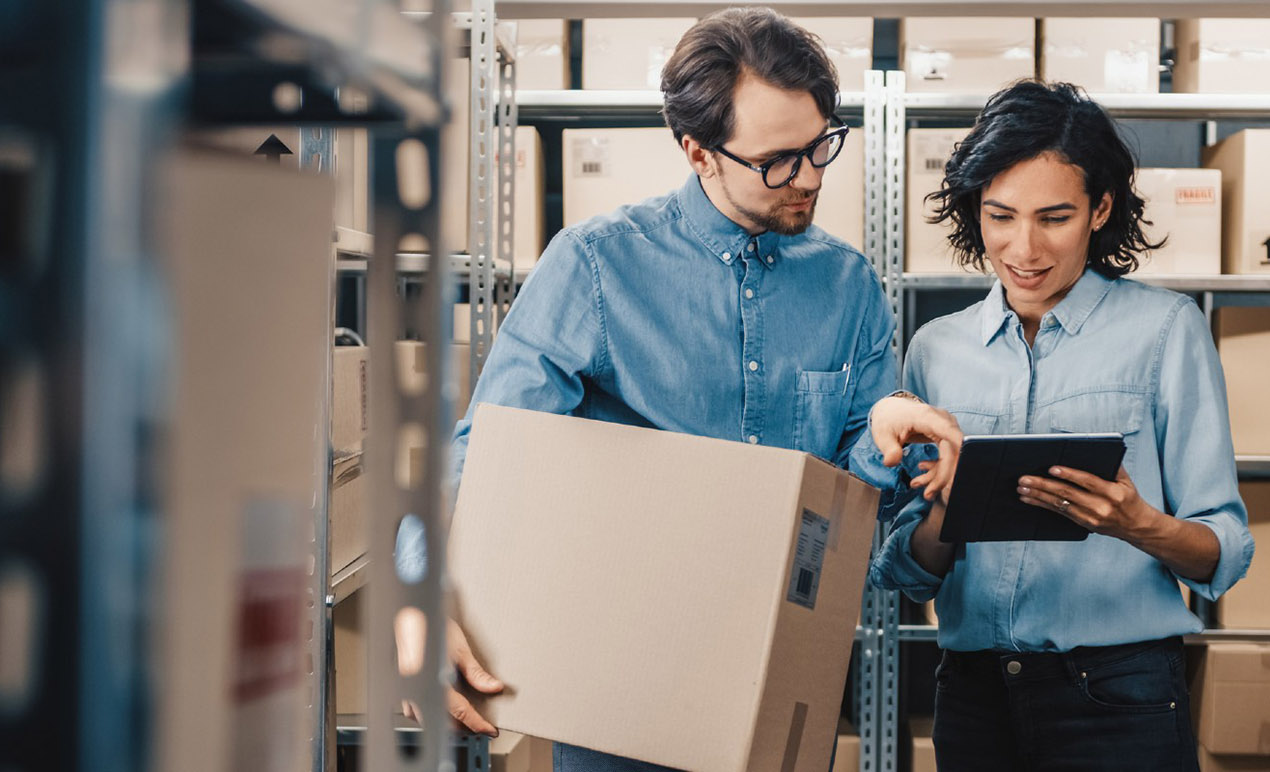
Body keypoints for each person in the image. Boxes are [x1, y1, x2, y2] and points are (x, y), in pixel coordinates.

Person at [392, 8, 963, 771]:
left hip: (787, 680)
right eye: (779, 161)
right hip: (621, 688)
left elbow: (857, 509)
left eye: (822, 145)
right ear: (698, 151)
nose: (812, 178)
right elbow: (487, 456)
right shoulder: (596, 267)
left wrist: (886, 440)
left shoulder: (849, 286)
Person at [869, 81, 1254, 771]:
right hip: (974, 695)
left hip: (1119, 696)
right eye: (1000, 216)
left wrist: (1138, 524)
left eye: (1054, 217)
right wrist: (944, 512)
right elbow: (908, 574)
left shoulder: (1168, 331)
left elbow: (1222, 551)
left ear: (1099, 208)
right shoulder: (935, 348)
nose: (1024, 247)